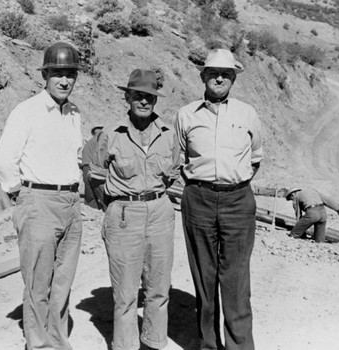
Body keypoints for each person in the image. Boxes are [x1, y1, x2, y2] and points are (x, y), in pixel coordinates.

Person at [0, 42, 83, 350]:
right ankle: (39, 344)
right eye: (57, 73)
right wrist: (23, 194)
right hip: (38, 202)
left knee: (62, 282)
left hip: (70, 204)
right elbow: (4, 161)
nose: (64, 81)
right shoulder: (27, 111)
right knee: (38, 282)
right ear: (44, 75)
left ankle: (57, 340)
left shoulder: (74, 113)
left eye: (70, 74)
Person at [174, 49, 263, 350]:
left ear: (234, 78)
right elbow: (179, 158)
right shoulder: (185, 115)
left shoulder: (247, 113)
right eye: (213, 73)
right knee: (204, 280)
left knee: (236, 282)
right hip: (198, 199)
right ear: (202, 76)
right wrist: (202, 186)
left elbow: (256, 158)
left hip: (238, 201)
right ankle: (208, 345)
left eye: (225, 74)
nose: (219, 78)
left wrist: (233, 184)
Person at [96, 69, 181, 350]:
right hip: (123, 215)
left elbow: (175, 171)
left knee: (158, 289)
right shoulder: (110, 133)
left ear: (155, 100)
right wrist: (116, 207)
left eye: (150, 97)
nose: (144, 102)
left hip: (159, 211)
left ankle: (155, 343)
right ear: (127, 97)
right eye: (138, 96)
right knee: (125, 293)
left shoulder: (169, 133)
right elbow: (95, 177)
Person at [81, 125, 107, 211]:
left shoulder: (89, 143)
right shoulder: (100, 139)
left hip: (85, 167)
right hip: (93, 167)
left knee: (90, 193)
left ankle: (93, 210)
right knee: (100, 190)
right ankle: (105, 209)